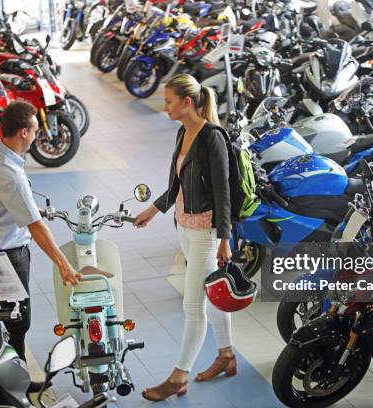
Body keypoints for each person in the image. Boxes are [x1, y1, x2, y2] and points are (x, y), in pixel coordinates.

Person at [133, 74, 235, 401]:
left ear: (187, 102)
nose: (165, 107)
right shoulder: (182, 132)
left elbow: (223, 192)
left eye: (169, 102)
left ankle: (179, 376)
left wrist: (224, 239)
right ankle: (227, 355)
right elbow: (176, 183)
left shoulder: (212, 138)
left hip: (205, 230)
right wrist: (154, 208)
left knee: (193, 305)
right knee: (212, 292)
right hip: (184, 226)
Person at [0, 100, 80, 392]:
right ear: (23, 132)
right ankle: (12, 386)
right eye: (34, 130)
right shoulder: (10, 175)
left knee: (8, 322)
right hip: (6, 257)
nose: (37, 135)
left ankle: (11, 380)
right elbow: (35, 228)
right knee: (16, 324)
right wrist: (64, 264)